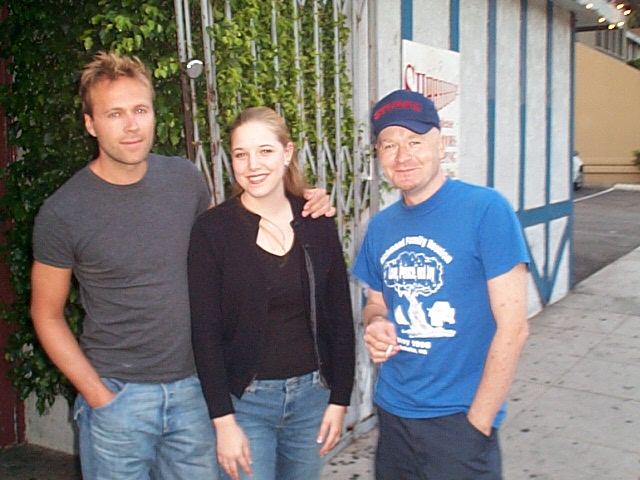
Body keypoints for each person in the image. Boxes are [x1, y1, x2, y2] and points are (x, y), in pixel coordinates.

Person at [29, 51, 334, 480]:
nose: (132, 125)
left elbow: (233, 245)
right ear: (90, 124)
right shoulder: (63, 212)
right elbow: (46, 314)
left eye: (140, 110)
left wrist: (303, 204)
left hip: (194, 392)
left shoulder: (184, 179)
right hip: (118, 397)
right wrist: (98, 397)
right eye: (115, 114)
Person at [351, 89, 530, 480]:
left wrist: (478, 423)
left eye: (415, 141)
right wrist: (376, 322)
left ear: (441, 144)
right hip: (394, 416)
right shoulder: (380, 227)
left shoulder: (486, 210)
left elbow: (514, 328)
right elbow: (375, 302)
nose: (403, 156)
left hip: (459, 421)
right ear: (379, 155)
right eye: (389, 145)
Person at [188, 106, 355, 480]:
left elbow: (340, 315)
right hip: (246, 403)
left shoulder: (316, 220)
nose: (253, 165)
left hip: (312, 399)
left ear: (287, 152)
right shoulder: (212, 231)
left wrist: (340, 398)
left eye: (265, 151)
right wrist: (223, 420)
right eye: (240, 154)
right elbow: (205, 332)